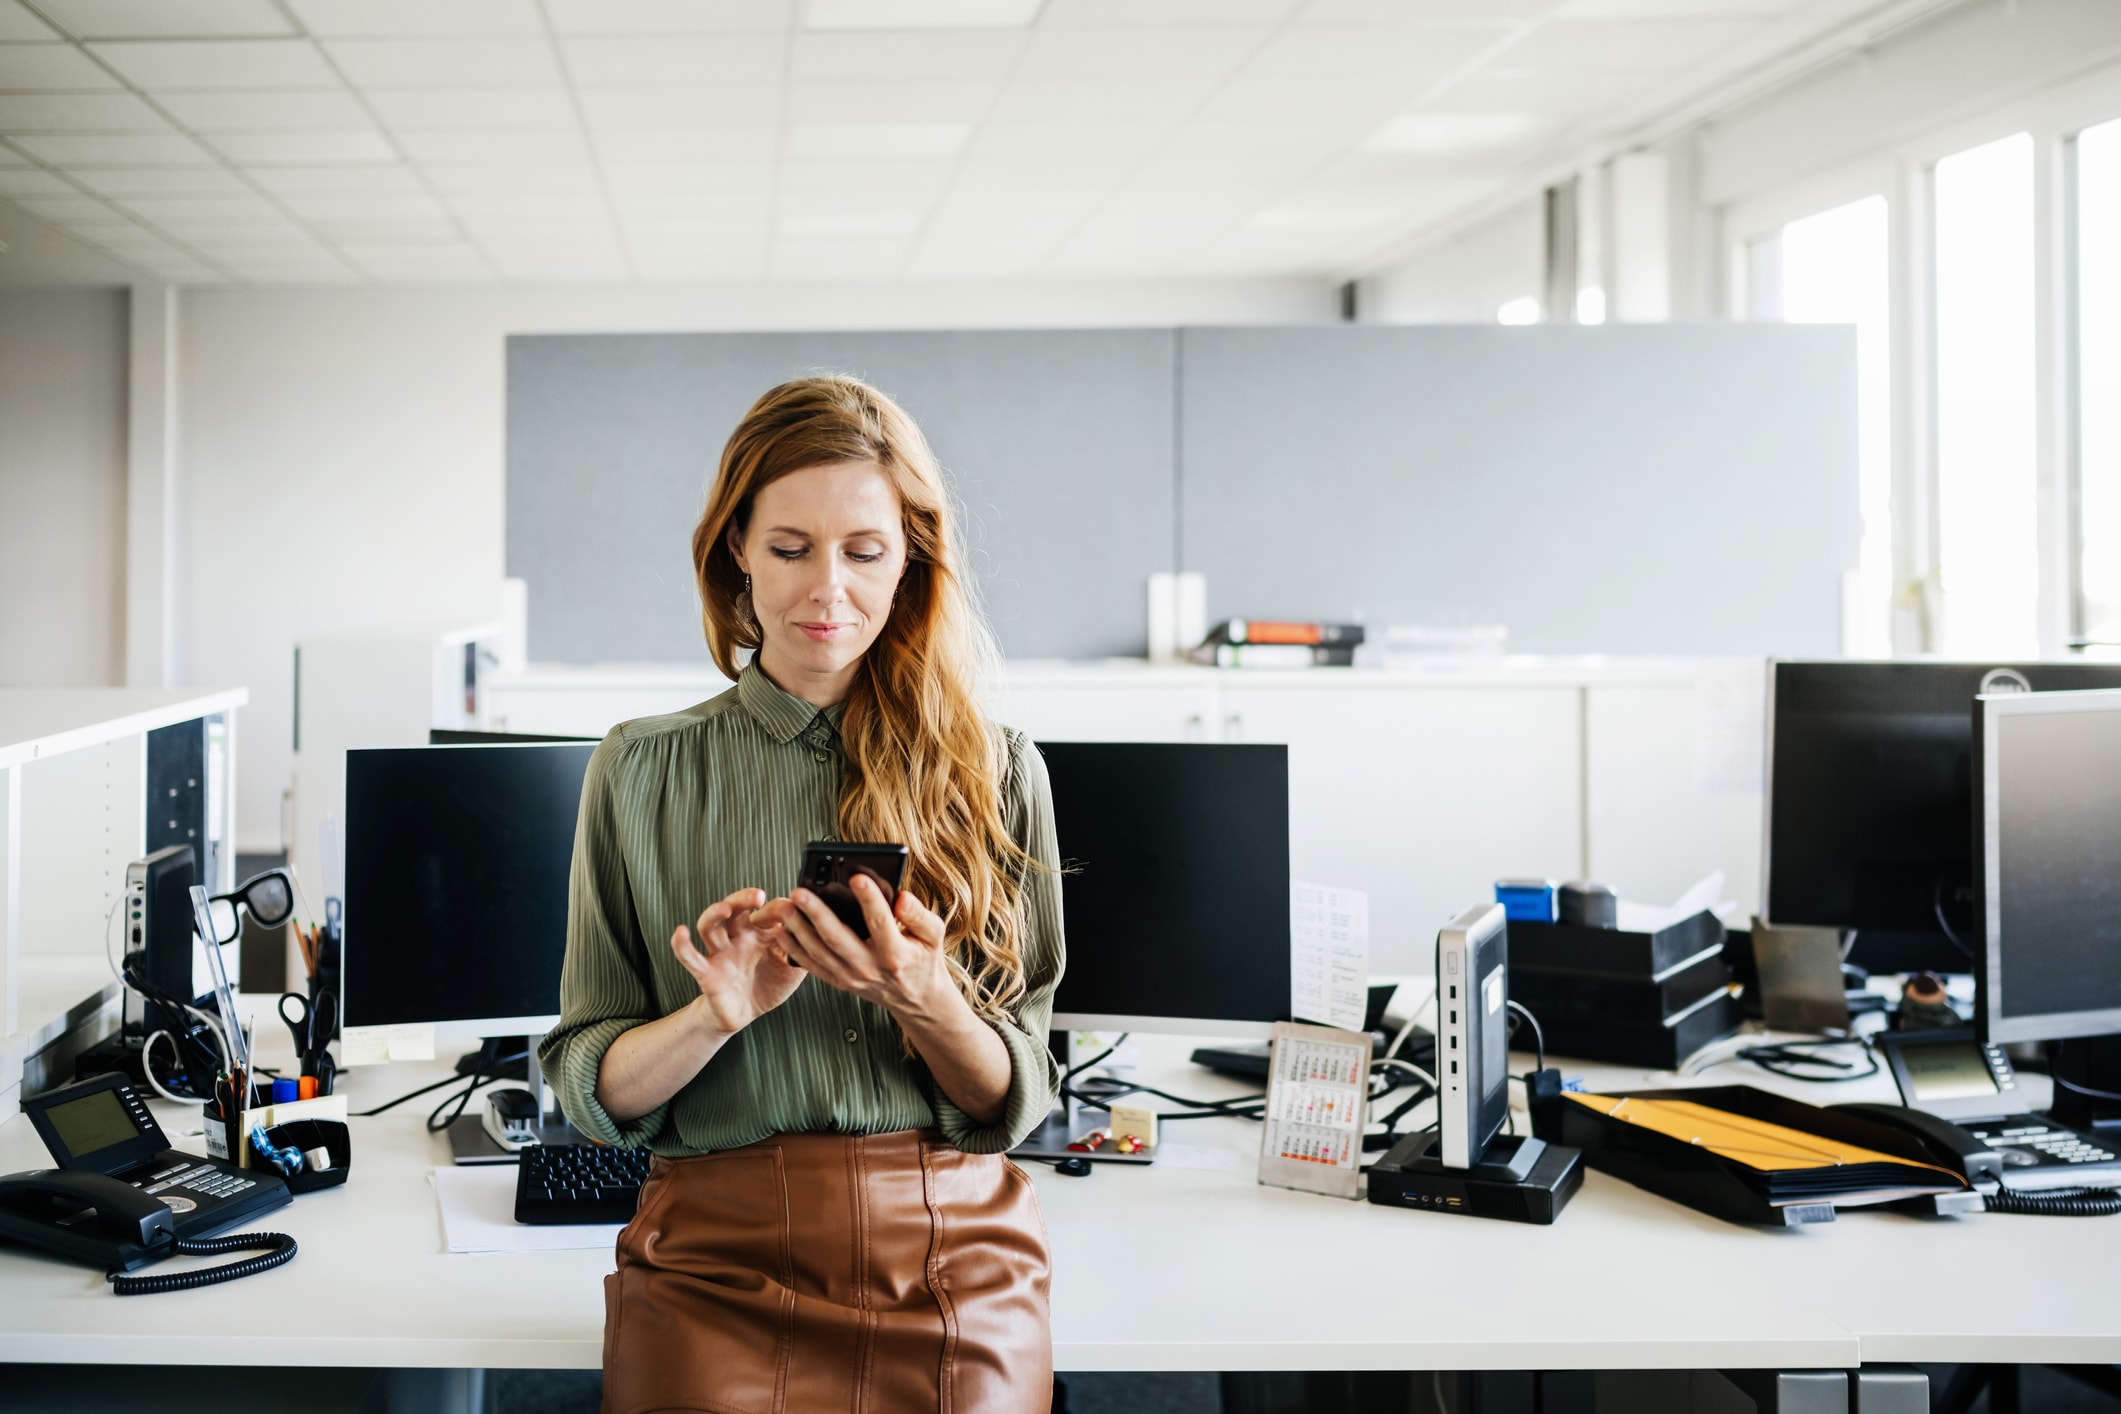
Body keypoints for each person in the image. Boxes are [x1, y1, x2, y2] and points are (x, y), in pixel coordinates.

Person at [538, 375, 1065, 1413]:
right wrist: (713, 1017)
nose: (827, 590)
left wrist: (923, 995)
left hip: (947, 1247)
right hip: (712, 1257)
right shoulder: (639, 768)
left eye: (864, 551)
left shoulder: (996, 770)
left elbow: (1015, 1095)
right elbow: (588, 1086)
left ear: (912, 554)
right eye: (790, 548)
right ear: (736, 545)